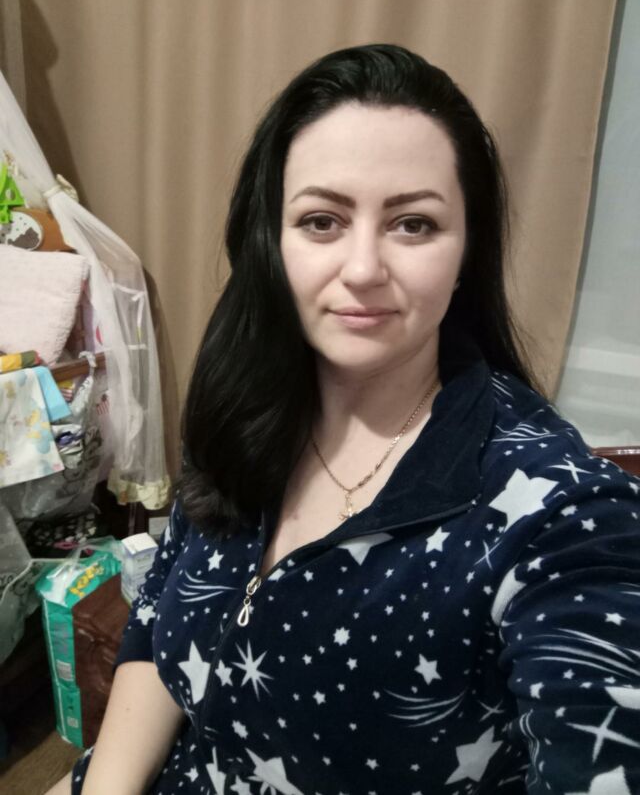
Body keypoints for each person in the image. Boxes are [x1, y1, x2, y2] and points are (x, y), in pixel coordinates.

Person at [48, 44, 640, 795]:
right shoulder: (243, 406)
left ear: (467, 250)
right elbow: (162, 615)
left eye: (413, 224)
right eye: (322, 220)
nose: (362, 269)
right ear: (271, 240)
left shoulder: (558, 511)